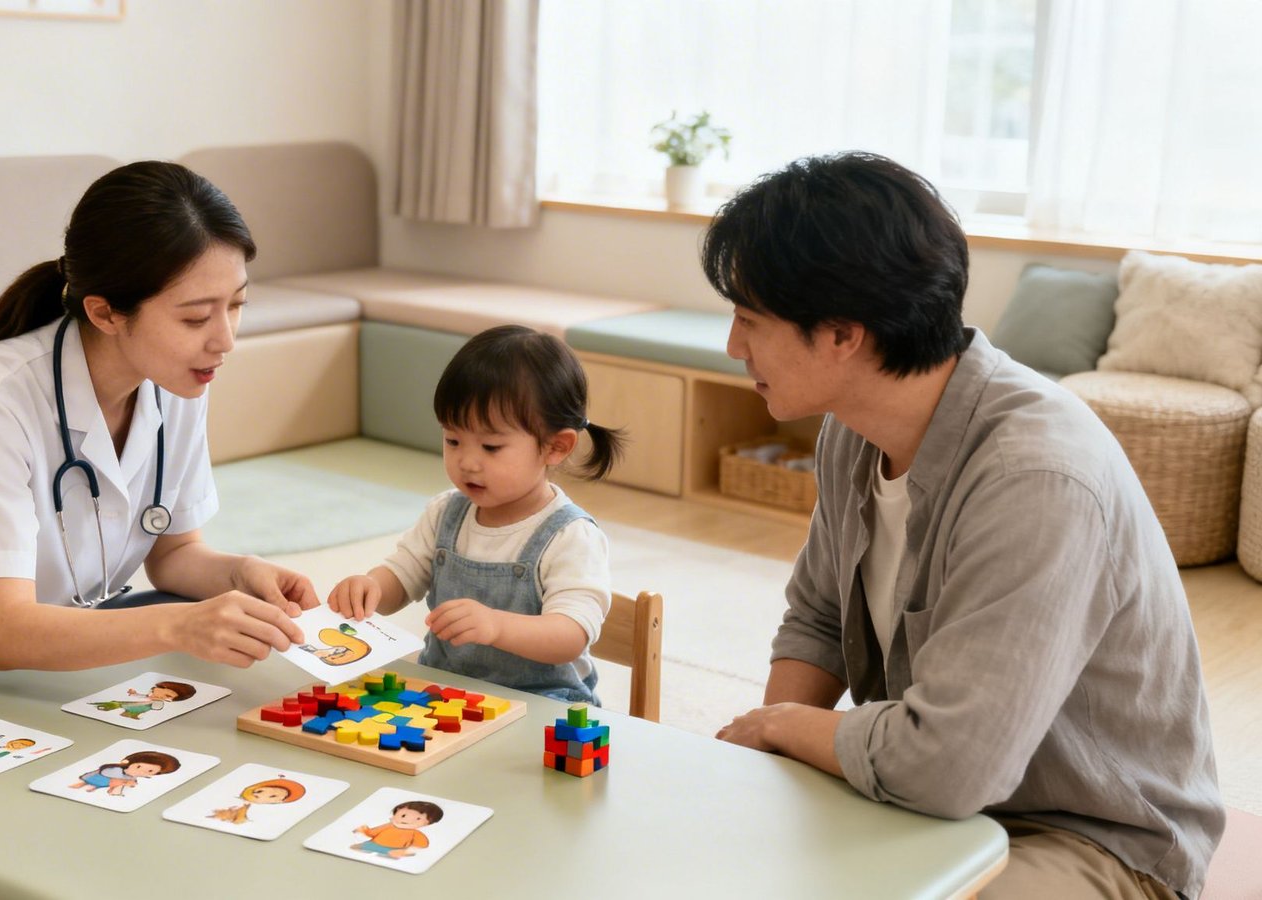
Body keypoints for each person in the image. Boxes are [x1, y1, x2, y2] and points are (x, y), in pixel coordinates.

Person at [705, 152, 1223, 898]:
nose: (733, 346)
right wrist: (763, 757)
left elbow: (952, 764)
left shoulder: (1035, 478)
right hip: (931, 798)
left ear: (843, 335)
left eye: (749, 320)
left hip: (1089, 832)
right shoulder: (854, 427)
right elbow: (819, 618)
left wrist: (785, 727)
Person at [0, 160, 319, 899]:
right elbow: (9, 634)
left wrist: (239, 574)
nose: (226, 340)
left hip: (61, 654)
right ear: (106, 310)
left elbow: (175, 554)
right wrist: (183, 628)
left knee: (157, 794)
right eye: (195, 316)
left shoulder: (178, 381)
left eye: (236, 306)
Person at [327, 325, 624, 704]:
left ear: (556, 446)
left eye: (491, 446)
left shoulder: (569, 536)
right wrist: (370, 588)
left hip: (542, 703)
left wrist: (496, 626)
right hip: (447, 693)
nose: (467, 462)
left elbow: (570, 635)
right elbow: (403, 575)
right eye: (453, 440)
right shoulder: (446, 513)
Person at [352, 800, 444, 859]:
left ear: (427, 823)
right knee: (355, 847)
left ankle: (399, 853)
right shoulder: (388, 826)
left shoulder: (415, 833)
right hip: (374, 844)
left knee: (394, 854)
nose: (407, 820)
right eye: (403, 815)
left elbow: (420, 845)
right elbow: (372, 832)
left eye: (418, 819)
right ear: (396, 812)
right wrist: (362, 830)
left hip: (394, 849)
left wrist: (407, 851)